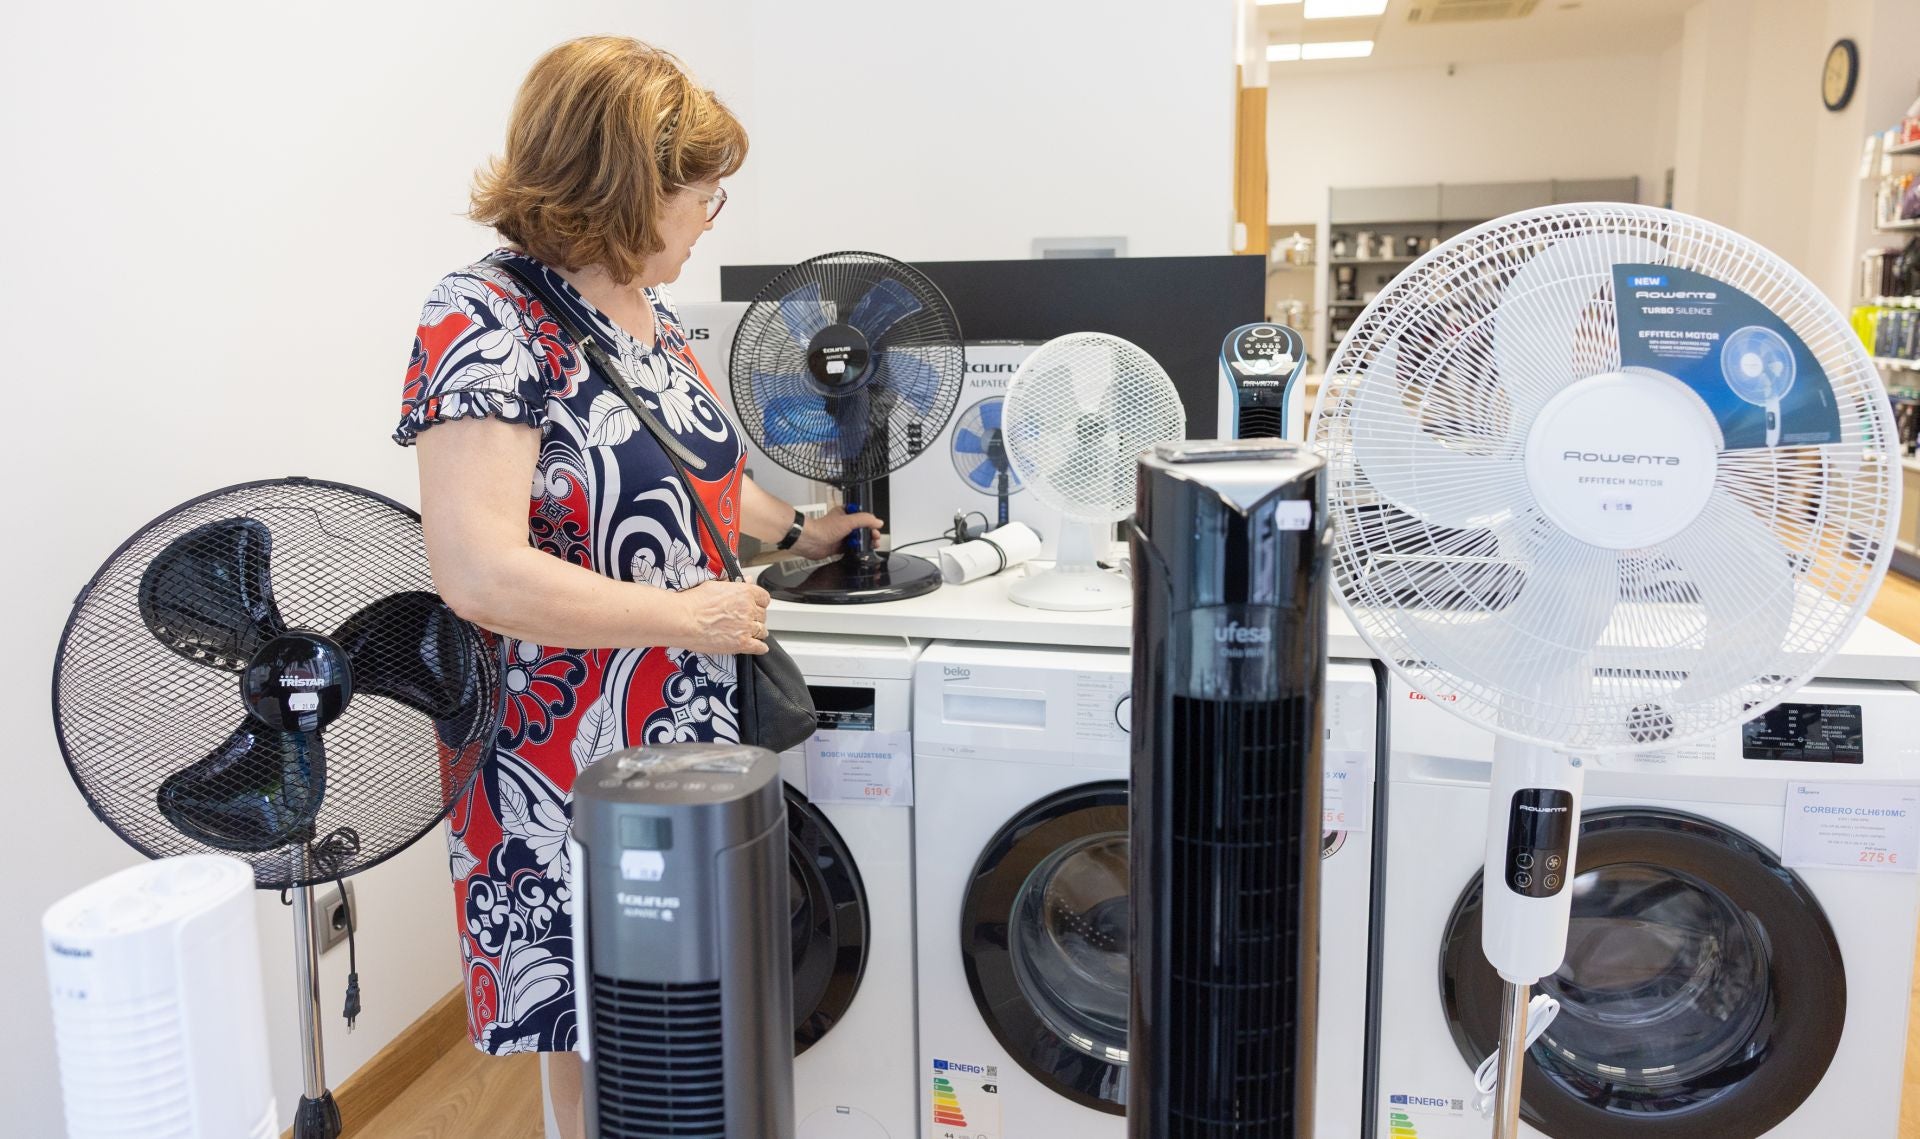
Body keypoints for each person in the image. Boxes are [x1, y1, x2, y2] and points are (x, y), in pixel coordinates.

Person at [393, 35, 879, 1136]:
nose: (710, 223)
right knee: (604, 1035)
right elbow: (475, 570)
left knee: (695, 1021)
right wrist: (687, 613)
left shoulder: (646, 312)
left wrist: (805, 527)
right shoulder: (483, 317)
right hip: (563, 749)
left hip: (684, 722)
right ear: (627, 183)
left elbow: (697, 472)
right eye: (702, 199)